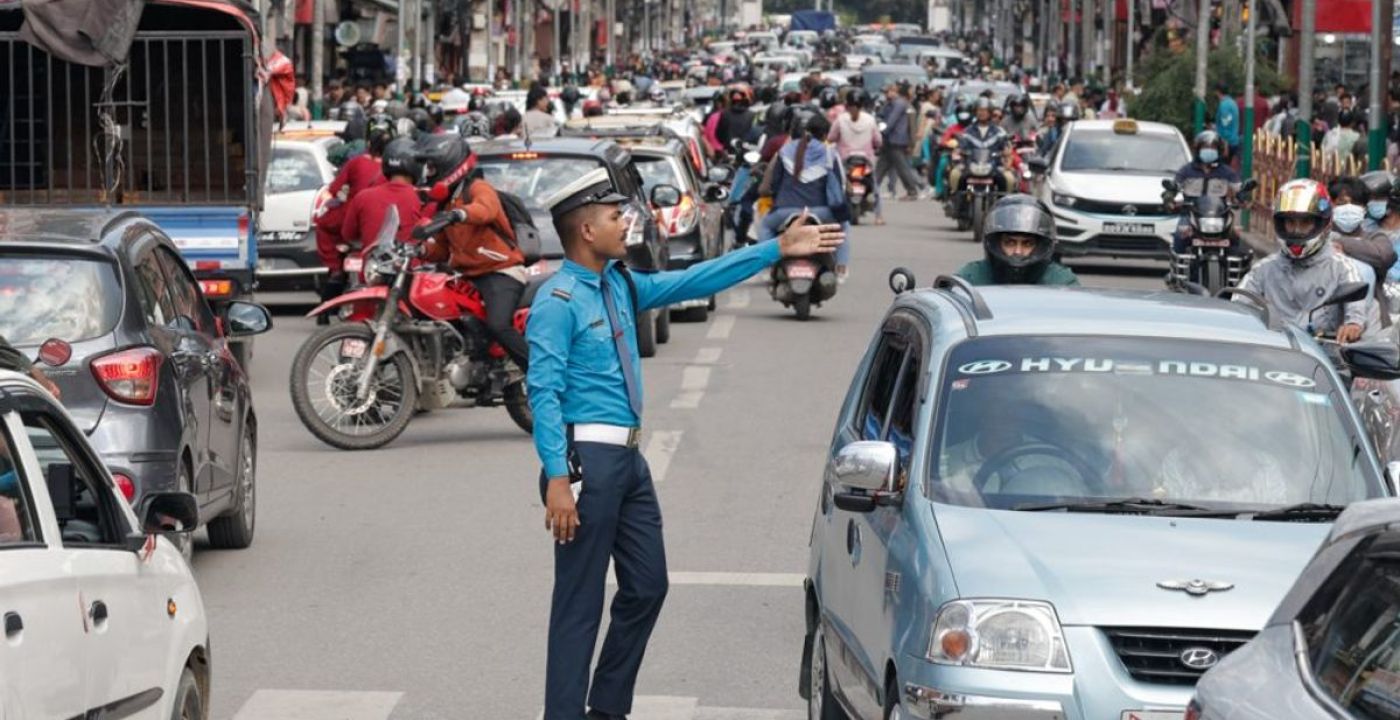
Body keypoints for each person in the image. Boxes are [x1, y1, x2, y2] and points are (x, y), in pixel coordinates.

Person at [526, 168, 844, 720]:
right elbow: (544, 393)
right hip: (584, 463)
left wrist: (774, 249)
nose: (624, 224)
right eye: (613, 217)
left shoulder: (620, 284)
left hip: (627, 461)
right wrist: (557, 476)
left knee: (648, 585)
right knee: (579, 603)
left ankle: (606, 706)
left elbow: (696, 279)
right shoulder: (557, 301)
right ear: (585, 230)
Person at [419, 136, 531, 372]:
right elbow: (442, 250)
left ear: (449, 165)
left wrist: (460, 214)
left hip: (501, 272)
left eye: (432, 167)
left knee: (498, 325)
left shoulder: (477, 188)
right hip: (469, 276)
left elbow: (486, 210)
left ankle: (541, 374)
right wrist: (422, 249)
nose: (428, 174)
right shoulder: (446, 204)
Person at [1235, 179, 1367, 342]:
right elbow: (1238, 306)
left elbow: (1356, 309)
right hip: (1273, 348)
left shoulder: (1342, 267)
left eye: (1305, 223)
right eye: (1290, 222)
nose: (1297, 230)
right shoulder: (1263, 268)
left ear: (1323, 223)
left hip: (1322, 351)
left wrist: (1353, 325)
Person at [759, 111, 852, 280]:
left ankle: (766, 268)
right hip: (822, 211)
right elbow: (841, 185)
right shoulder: (830, 153)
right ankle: (841, 268)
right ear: (824, 135)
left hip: (785, 210)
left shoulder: (785, 151)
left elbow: (774, 184)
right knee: (843, 227)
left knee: (765, 226)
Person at [315, 115, 392, 308]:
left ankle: (335, 269)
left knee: (322, 224)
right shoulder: (394, 167)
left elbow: (334, 189)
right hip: (383, 220)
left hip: (353, 218)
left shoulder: (356, 162)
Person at [955, 195, 1079, 285]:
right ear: (996, 243)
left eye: (1027, 244)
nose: (1018, 251)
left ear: (1040, 245)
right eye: (1010, 243)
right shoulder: (971, 277)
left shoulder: (1061, 281)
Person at [1325, 175, 1396, 329]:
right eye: (1341, 203)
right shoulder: (1320, 238)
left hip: (1371, 324)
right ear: (1331, 205)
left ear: (1364, 208)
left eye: (1355, 203)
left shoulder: (1375, 237)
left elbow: (1384, 255)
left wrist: (1342, 243)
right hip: (1326, 321)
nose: (1349, 208)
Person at [947, 97, 1014, 218]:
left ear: (990, 112)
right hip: (971, 165)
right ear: (975, 112)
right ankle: (957, 204)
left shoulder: (999, 132)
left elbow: (1006, 147)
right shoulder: (967, 131)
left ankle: (1004, 210)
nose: (981, 113)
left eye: (984, 110)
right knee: (955, 174)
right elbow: (960, 147)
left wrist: (1006, 153)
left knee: (1009, 179)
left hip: (994, 166)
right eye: (979, 110)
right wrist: (959, 151)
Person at [827, 88, 884, 226]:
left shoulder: (840, 119)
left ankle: (833, 212)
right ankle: (879, 216)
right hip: (866, 160)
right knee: (874, 186)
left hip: (846, 161)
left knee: (837, 185)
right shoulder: (870, 120)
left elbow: (831, 137)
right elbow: (878, 141)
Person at [877, 83, 926, 201]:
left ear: (897, 92)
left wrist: (881, 131)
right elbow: (881, 116)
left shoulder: (899, 104)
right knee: (881, 167)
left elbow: (891, 122)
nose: (888, 93)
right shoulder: (890, 104)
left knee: (902, 167)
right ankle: (872, 188)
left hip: (896, 140)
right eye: (887, 91)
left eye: (892, 91)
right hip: (890, 140)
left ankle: (912, 191)